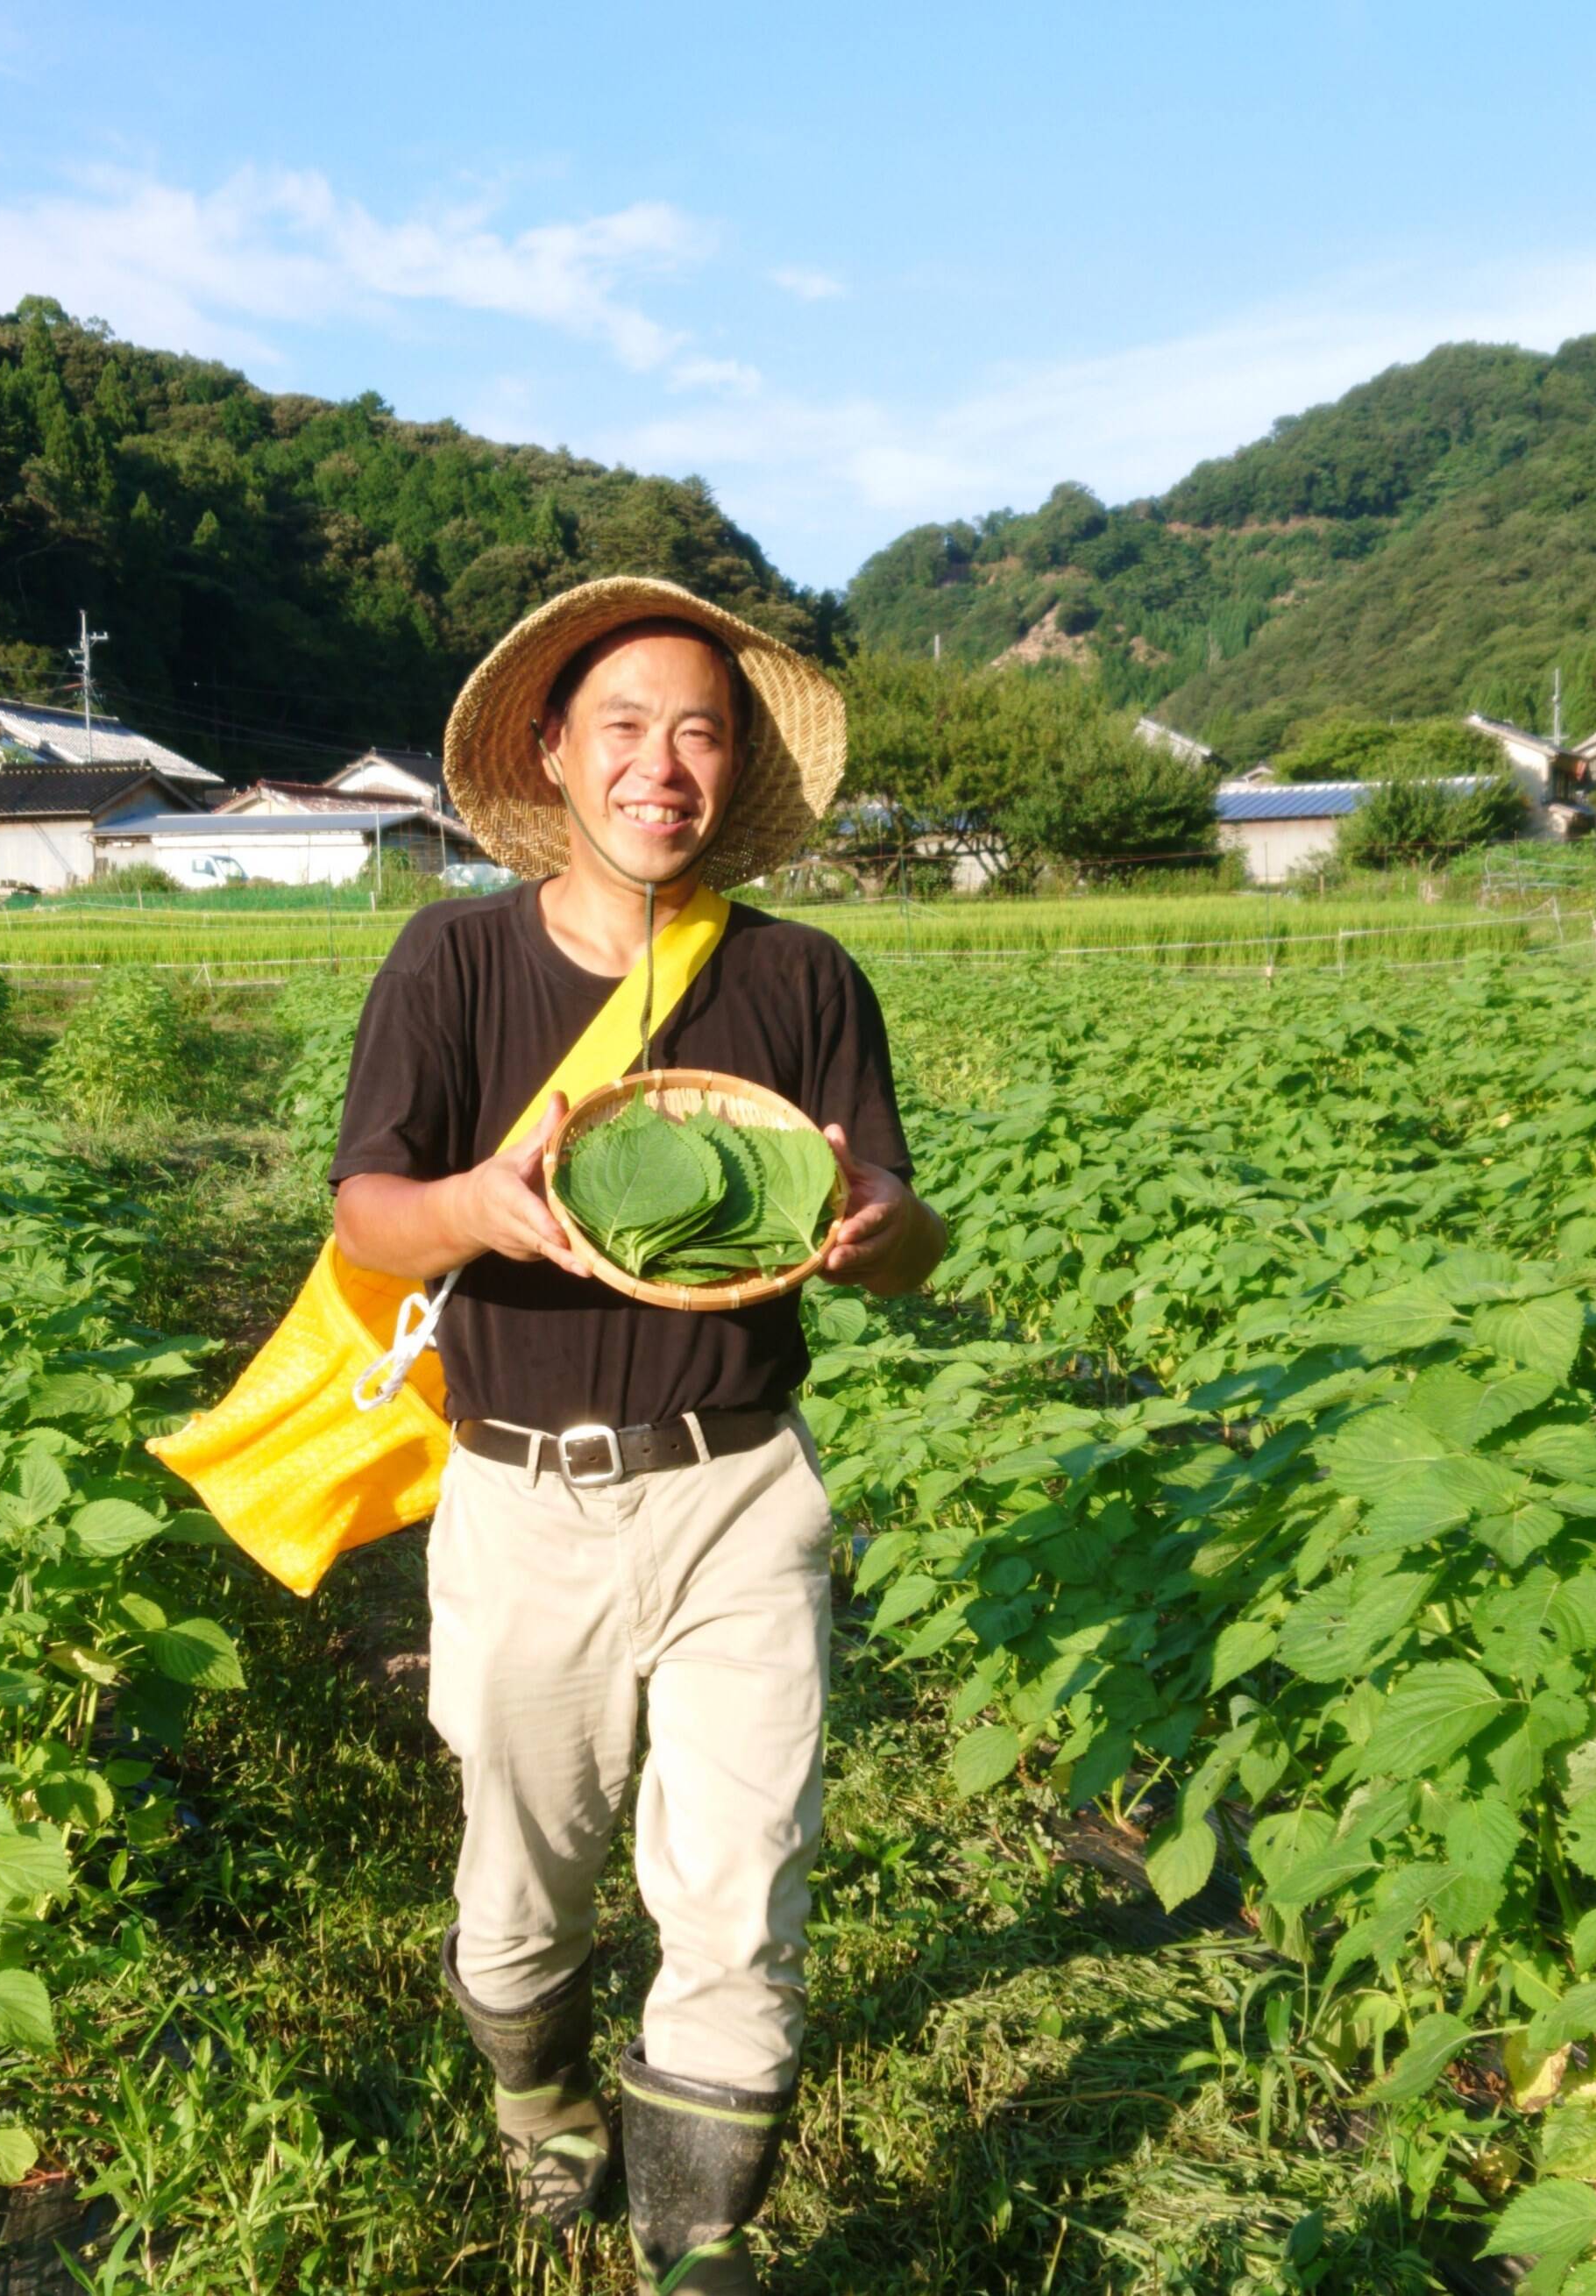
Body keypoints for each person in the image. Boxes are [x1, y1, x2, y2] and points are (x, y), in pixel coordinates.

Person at [327, 577, 946, 2292]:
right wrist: (476, 1205)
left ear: (730, 767)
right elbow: (369, 1215)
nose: (661, 761)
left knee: (742, 1892)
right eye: (625, 724)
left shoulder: (804, 980)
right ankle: (541, 2098)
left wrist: (880, 1228)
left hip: (741, 1491)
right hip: (528, 1496)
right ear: (553, 749)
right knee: (525, 1893)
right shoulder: (454, 958)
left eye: (698, 730)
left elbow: (902, 1219)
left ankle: (696, 2245)